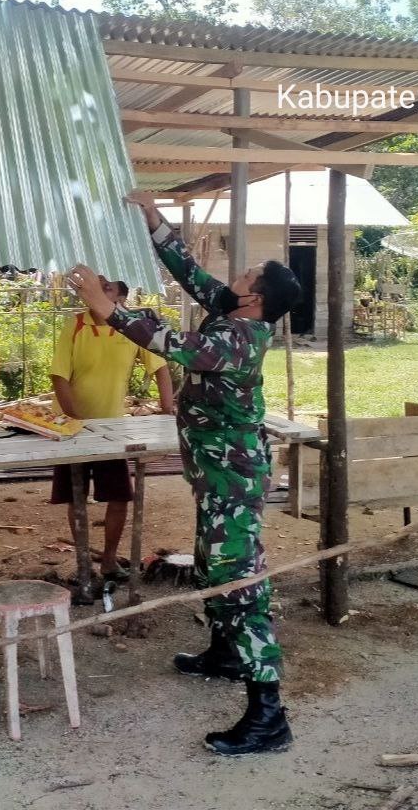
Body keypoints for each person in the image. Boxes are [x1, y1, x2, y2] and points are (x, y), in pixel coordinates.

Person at [68, 191, 302, 757]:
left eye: (245, 274)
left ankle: (268, 713)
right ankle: (223, 653)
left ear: (257, 296)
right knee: (210, 566)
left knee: (239, 582)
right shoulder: (234, 311)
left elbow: (177, 345)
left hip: (234, 481)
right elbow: (192, 275)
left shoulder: (238, 339)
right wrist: (155, 223)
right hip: (217, 477)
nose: (234, 277)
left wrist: (110, 311)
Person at [50, 276, 175, 583]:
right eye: (96, 285)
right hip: (71, 427)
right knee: (76, 497)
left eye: (106, 287)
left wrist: (168, 412)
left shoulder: (131, 329)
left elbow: (160, 368)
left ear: (120, 295)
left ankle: (108, 560)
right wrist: (78, 421)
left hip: (113, 430)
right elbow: (59, 377)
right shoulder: (76, 324)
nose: (96, 291)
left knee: (119, 496)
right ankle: (83, 562)